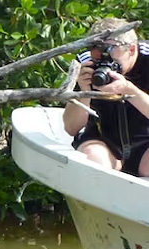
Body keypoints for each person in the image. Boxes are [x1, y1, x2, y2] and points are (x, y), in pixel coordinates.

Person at [62, 18, 149, 177]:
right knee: (92, 157)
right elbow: (71, 127)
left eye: (108, 49)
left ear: (131, 49)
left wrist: (129, 91)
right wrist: (84, 91)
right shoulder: (85, 63)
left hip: (145, 144)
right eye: (95, 48)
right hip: (105, 142)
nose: (102, 57)